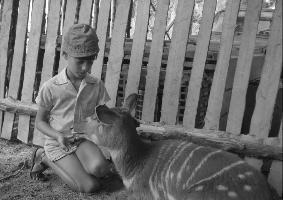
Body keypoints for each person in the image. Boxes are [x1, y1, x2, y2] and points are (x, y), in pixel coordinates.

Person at [30, 23, 113, 193]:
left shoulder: (95, 84)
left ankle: (79, 162)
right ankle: (44, 157)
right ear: (65, 55)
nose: (85, 68)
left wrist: (116, 122)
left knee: (101, 169)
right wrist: (58, 135)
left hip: (82, 140)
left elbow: (102, 113)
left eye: (90, 61)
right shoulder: (51, 87)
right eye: (80, 61)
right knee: (90, 187)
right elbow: (40, 122)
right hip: (58, 142)